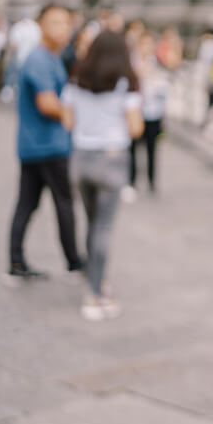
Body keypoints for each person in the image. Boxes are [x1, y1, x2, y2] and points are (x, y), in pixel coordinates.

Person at [61, 31, 143, 320]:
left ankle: (94, 280)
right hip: (111, 158)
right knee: (103, 228)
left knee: (93, 223)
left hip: (81, 158)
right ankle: (95, 294)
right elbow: (135, 129)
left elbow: (67, 120)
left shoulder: (75, 80)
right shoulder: (125, 83)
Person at [7, 4, 84, 281]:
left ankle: (16, 261)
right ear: (40, 25)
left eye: (66, 23)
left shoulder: (51, 57)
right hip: (48, 146)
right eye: (55, 22)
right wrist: (74, 114)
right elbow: (47, 104)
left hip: (34, 145)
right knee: (63, 203)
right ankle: (74, 260)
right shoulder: (40, 60)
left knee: (27, 204)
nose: (62, 29)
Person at [128, 30, 169, 198]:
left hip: (153, 112)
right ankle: (131, 181)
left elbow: (165, 86)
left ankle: (152, 181)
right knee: (133, 149)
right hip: (136, 112)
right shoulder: (132, 64)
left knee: (152, 148)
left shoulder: (157, 63)